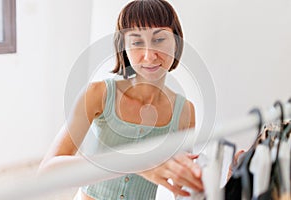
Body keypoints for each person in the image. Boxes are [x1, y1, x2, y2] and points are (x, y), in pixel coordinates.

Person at [39, 0, 204, 199]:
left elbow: (183, 184)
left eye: (159, 40)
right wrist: (135, 162)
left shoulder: (185, 111)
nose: (149, 56)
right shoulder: (97, 94)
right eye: (136, 42)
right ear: (123, 48)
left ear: (176, 43)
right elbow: (47, 172)